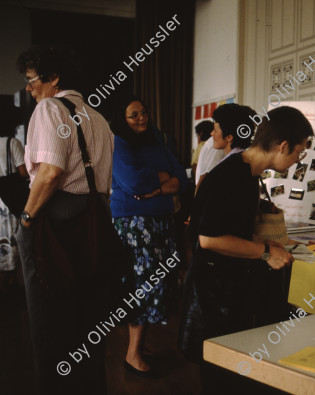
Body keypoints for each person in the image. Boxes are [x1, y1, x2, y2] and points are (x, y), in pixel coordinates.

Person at [181, 106, 313, 386]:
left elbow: (232, 230)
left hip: (225, 294)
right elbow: (210, 238)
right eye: (299, 152)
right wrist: (265, 252)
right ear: (283, 145)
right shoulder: (235, 177)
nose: (297, 160)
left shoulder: (246, 173)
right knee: (222, 382)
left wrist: (267, 244)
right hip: (214, 298)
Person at [16, 44, 114, 394]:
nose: (29, 88)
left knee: (50, 326)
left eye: (31, 80)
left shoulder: (48, 108)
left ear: (53, 77)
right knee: (90, 323)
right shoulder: (98, 117)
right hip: (97, 218)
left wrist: (26, 218)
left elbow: (51, 171)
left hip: (56, 221)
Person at [110, 97, 187, 377]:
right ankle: (132, 353)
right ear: (122, 119)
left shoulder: (156, 140)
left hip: (161, 222)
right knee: (141, 285)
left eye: (144, 112)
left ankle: (139, 345)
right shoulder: (117, 142)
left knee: (158, 284)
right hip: (135, 224)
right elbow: (133, 182)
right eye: (134, 115)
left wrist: (156, 189)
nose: (142, 118)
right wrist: (163, 179)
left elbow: (181, 177)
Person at [0, 104, 28, 291]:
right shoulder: (12, 143)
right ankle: (12, 279)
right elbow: (23, 171)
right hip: (10, 199)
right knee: (12, 237)